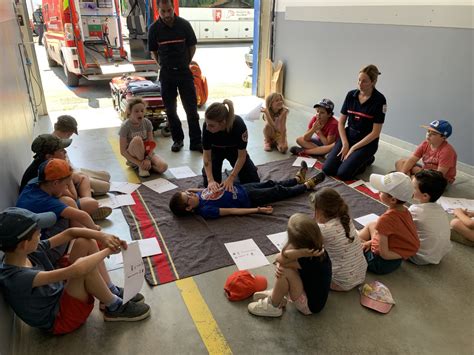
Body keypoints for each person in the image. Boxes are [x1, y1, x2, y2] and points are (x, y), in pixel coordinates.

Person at [0, 207, 151, 334]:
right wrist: (107, 251)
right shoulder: (17, 277)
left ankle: (109, 291)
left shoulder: (24, 252)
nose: (41, 233)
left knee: (84, 242)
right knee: (85, 268)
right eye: (37, 232)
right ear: (23, 244)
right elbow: (77, 270)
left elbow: (70, 233)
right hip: (60, 319)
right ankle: (115, 307)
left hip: (59, 295)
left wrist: (102, 236)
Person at [17, 159, 107, 264]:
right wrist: (96, 230)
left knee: (68, 203)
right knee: (71, 212)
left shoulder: (34, 184)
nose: (66, 188)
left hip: (31, 245)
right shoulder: (46, 201)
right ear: (55, 183)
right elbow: (82, 216)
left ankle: (79, 237)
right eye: (66, 185)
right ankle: (70, 251)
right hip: (43, 251)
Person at [169, 162, 325, 219]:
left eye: (188, 193)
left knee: (270, 182)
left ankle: (296, 179)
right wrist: (257, 210)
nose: (191, 194)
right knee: (277, 191)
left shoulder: (196, 195)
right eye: (188, 197)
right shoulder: (205, 210)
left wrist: (192, 189)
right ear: (189, 208)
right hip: (249, 198)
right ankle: (306, 186)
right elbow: (231, 212)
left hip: (242, 188)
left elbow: (205, 190)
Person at [247, 213, 331, 317]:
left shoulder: (310, 259)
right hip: (306, 289)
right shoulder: (313, 247)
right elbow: (283, 256)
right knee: (285, 266)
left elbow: (279, 259)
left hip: (309, 306)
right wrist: (283, 261)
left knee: (285, 270)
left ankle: (273, 305)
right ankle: (279, 294)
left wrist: (298, 254)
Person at [148, 0, 202, 153]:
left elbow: (192, 46)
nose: (166, 14)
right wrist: (161, 65)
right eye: (163, 11)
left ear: (173, 8)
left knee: (191, 110)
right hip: (167, 74)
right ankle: (178, 140)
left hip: (184, 73)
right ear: (158, 10)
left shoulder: (184, 25)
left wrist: (186, 62)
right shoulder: (154, 29)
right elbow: (154, 52)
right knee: (171, 111)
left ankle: (196, 142)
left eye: (169, 11)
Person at [19, 135, 110, 221]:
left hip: (57, 194)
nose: (65, 152)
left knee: (85, 178)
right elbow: (72, 197)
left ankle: (88, 203)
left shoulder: (45, 164)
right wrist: (68, 177)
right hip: (52, 203)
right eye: (61, 150)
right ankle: (87, 210)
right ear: (49, 156)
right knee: (90, 203)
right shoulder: (49, 172)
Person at [323, 65, 387, 180]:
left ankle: (367, 159)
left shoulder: (380, 100)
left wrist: (353, 148)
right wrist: (345, 144)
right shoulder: (350, 95)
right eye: (359, 80)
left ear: (373, 82)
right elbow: (341, 123)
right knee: (327, 169)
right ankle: (356, 158)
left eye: (364, 81)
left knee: (342, 174)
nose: (360, 84)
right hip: (349, 137)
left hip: (366, 143)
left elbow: (375, 133)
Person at [358, 172, 420, 274]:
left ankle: (357, 244)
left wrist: (368, 245)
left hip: (379, 263)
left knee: (351, 243)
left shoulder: (385, 220)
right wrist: (371, 242)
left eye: (381, 191)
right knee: (371, 224)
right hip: (395, 260)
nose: (378, 192)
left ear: (393, 199)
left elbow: (384, 254)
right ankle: (362, 242)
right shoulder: (405, 211)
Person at [311, 187, 367, 291]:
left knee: (308, 260)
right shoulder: (346, 219)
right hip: (361, 275)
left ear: (318, 211)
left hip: (341, 282)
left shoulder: (323, 229)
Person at [202, 99, 259, 191]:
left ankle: (243, 171)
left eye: (211, 125)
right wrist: (210, 180)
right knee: (211, 187)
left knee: (253, 181)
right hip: (215, 151)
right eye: (207, 124)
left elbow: (241, 156)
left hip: (234, 150)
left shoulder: (238, 125)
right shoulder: (207, 127)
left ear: (223, 123)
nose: (207, 128)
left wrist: (231, 177)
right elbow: (207, 157)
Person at [53, 115, 111, 196]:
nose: (70, 136)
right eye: (70, 134)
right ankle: (85, 190)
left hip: (75, 169)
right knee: (106, 186)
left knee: (106, 175)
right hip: (72, 174)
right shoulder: (53, 145)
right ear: (68, 132)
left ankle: (88, 185)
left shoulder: (60, 140)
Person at [409, 170, 451, 265]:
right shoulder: (440, 208)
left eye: (413, 187)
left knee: (376, 226)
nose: (409, 188)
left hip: (419, 257)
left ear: (425, 196)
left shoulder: (415, 210)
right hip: (437, 255)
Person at [119, 98, 168, 178]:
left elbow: (151, 143)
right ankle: (140, 166)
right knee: (137, 139)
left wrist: (148, 158)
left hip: (147, 153)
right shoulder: (125, 126)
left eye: (142, 111)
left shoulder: (147, 123)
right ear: (130, 112)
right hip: (133, 155)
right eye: (136, 111)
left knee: (163, 167)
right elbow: (123, 151)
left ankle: (146, 166)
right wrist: (139, 163)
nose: (140, 113)